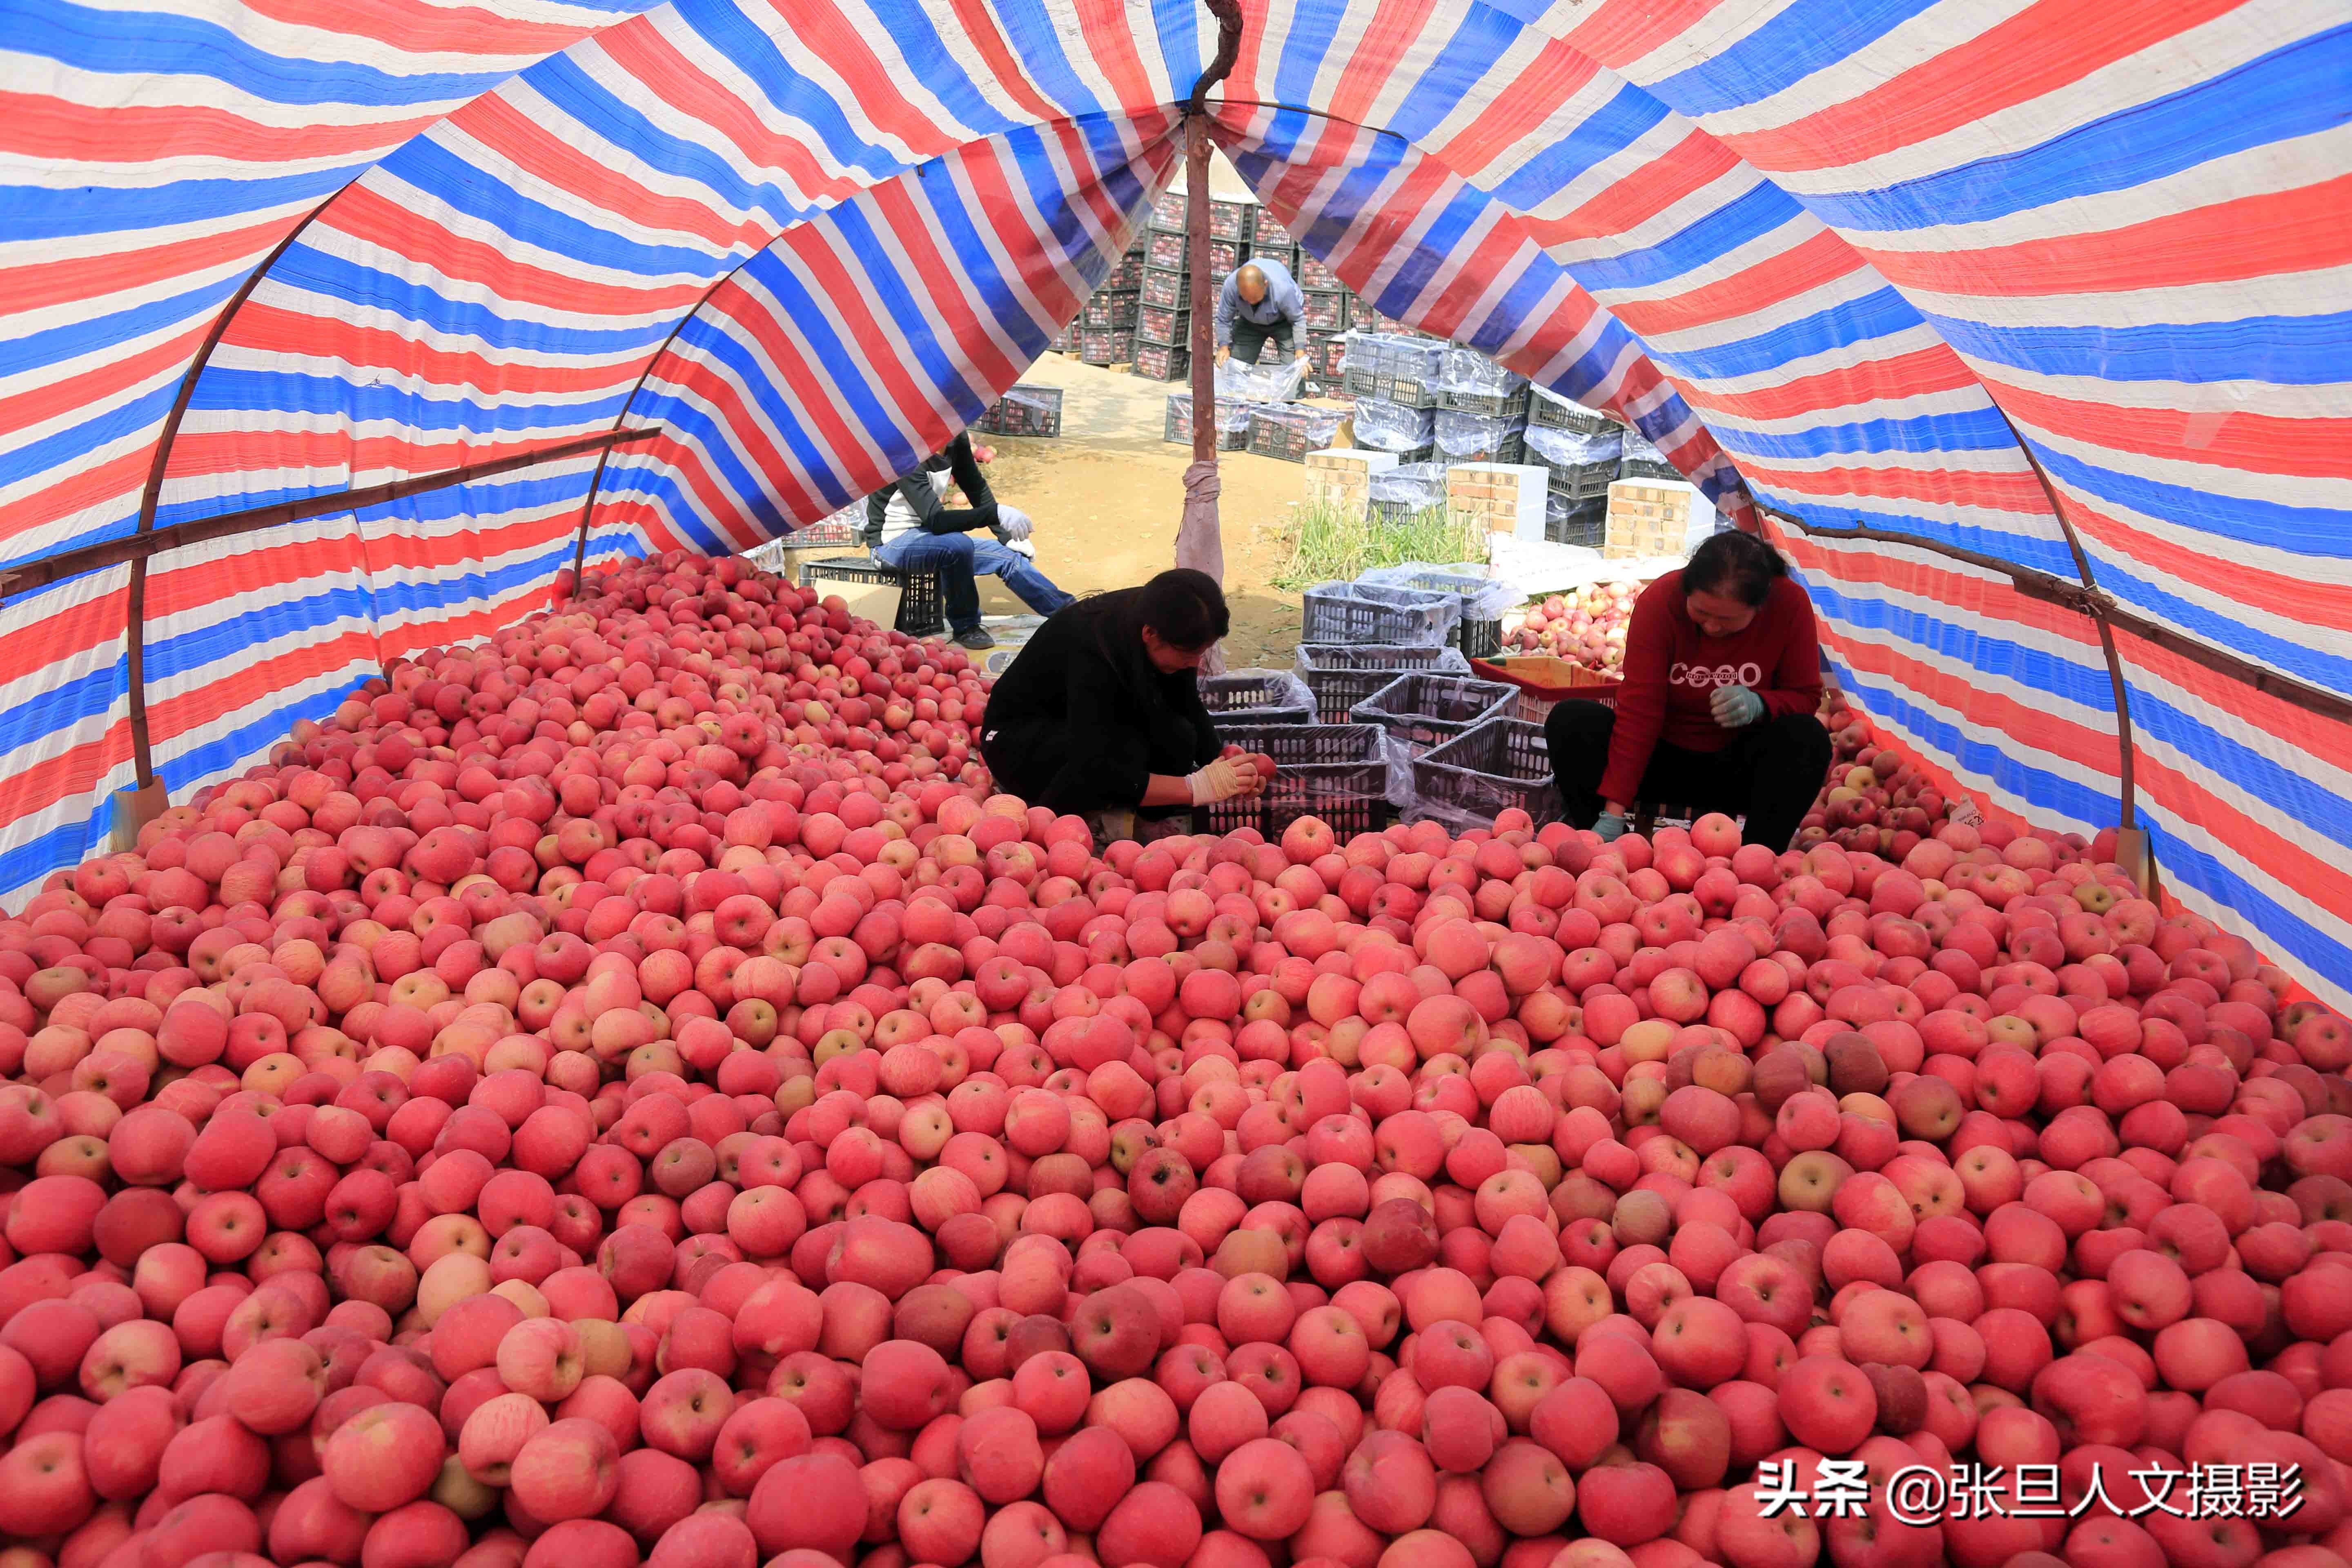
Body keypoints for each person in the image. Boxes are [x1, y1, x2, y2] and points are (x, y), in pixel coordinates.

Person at [1546, 531, 1832, 849]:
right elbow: (1640, 711)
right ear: (1686, 591)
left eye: (1727, 620)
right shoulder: (1660, 601)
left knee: (1808, 738)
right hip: (1661, 760)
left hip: (1739, 767)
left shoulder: (1789, 604)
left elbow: (1806, 696)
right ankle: (1604, 847)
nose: (1712, 627)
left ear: (1760, 607)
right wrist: (1612, 812)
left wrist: (1762, 704)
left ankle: (1758, 860)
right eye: (1702, 613)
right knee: (1571, 720)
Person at [980, 569, 1265, 832]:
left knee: (1180, 736)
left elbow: (1186, 703)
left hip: (1081, 722)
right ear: (1150, 634)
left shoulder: (1170, 621)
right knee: (1119, 756)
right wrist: (1197, 787)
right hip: (1016, 740)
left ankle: (1145, 813)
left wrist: (1220, 762)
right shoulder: (1093, 647)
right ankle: (1058, 830)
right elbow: (1093, 761)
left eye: (1202, 652)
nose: (1196, 663)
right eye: (1189, 654)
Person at [864, 430, 1073, 650]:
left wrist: (1005, 535)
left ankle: (1069, 613)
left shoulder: (956, 438)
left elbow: (975, 486)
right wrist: (995, 514)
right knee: (958, 546)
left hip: (930, 537)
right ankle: (966, 626)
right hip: (891, 544)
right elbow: (937, 520)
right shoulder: (904, 451)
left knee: (1008, 557)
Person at [1213, 260, 1309, 368]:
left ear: (1266, 284)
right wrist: (1223, 347)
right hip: (1249, 322)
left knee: (1295, 369)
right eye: (1247, 299)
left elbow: (1298, 320)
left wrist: (1300, 351)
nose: (1251, 302)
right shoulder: (1231, 286)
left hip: (1284, 321)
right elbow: (1224, 320)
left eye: (1256, 299)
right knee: (1235, 368)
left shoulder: (1283, 290)